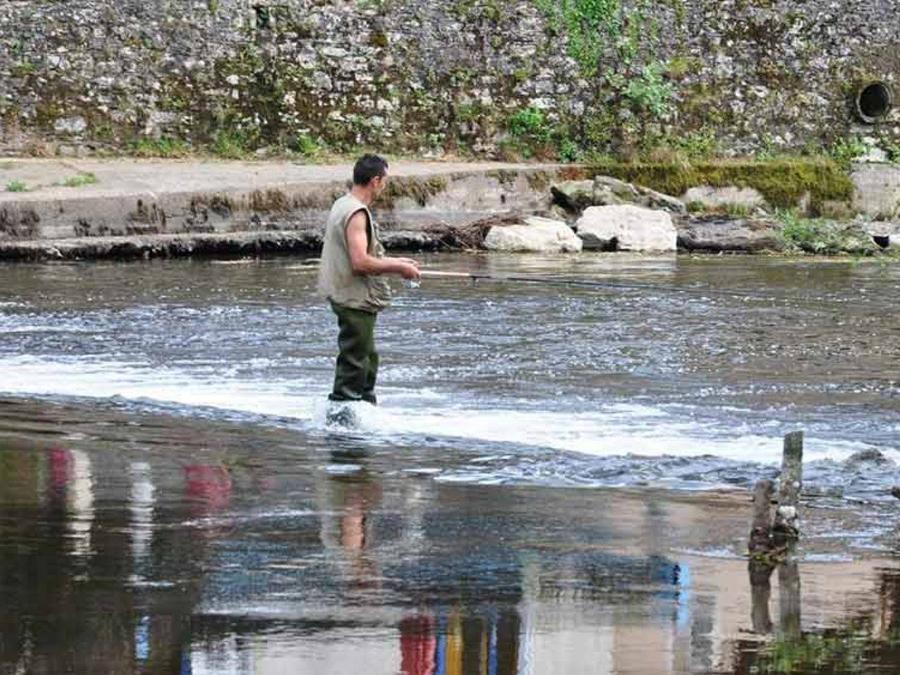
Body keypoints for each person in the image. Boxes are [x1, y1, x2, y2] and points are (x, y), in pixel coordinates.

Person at [318, 154, 420, 408]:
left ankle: (364, 409)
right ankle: (342, 414)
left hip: (344, 292)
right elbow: (360, 262)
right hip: (353, 297)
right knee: (355, 361)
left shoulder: (342, 203)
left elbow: (358, 255)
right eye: (385, 181)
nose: (385, 186)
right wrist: (399, 268)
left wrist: (396, 261)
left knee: (367, 358)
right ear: (375, 181)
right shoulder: (356, 214)